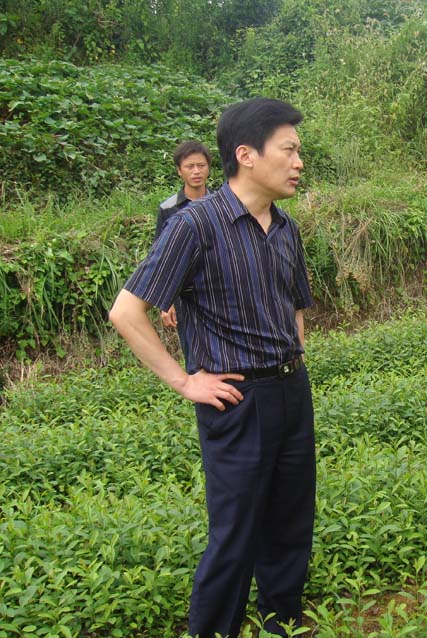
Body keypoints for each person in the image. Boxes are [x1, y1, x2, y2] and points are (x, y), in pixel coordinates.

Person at [109, 98, 315, 638]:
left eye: (299, 151)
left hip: (293, 392)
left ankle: (283, 625)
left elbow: (294, 303)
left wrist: (295, 359)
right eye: (289, 150)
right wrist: (184, 380)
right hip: (237, 400)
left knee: (291, 523)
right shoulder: (195, 225)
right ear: (246, 154)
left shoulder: (286, 227)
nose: (299, 161)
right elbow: (127, 312)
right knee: (236, 534)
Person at [155, 140, 212, 369]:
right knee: (193, 356)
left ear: (209, 167)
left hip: (218, 289)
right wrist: (165, 301)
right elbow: (162, 257)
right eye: (190, 166)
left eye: (201, 165)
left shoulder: (222, 203)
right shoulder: (168, 209)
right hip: (185, 295)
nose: (196, 171)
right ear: (179, 171)